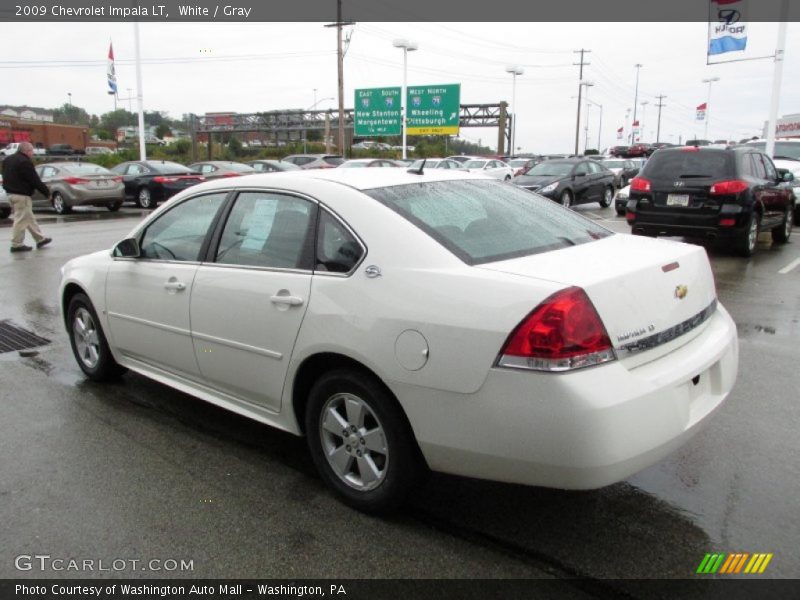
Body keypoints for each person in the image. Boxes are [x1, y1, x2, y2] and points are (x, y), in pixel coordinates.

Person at [2, 141, 52, 252]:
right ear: (27, 151)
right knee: (20, 219)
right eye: (31, 151)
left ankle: (40, 239)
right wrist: (46, 193)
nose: (32, 154)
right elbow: (34, 180)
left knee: (28, 217)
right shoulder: (24, 162)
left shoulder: (8, 160)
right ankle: (16, 244)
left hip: (10, 194)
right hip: (22, 195)